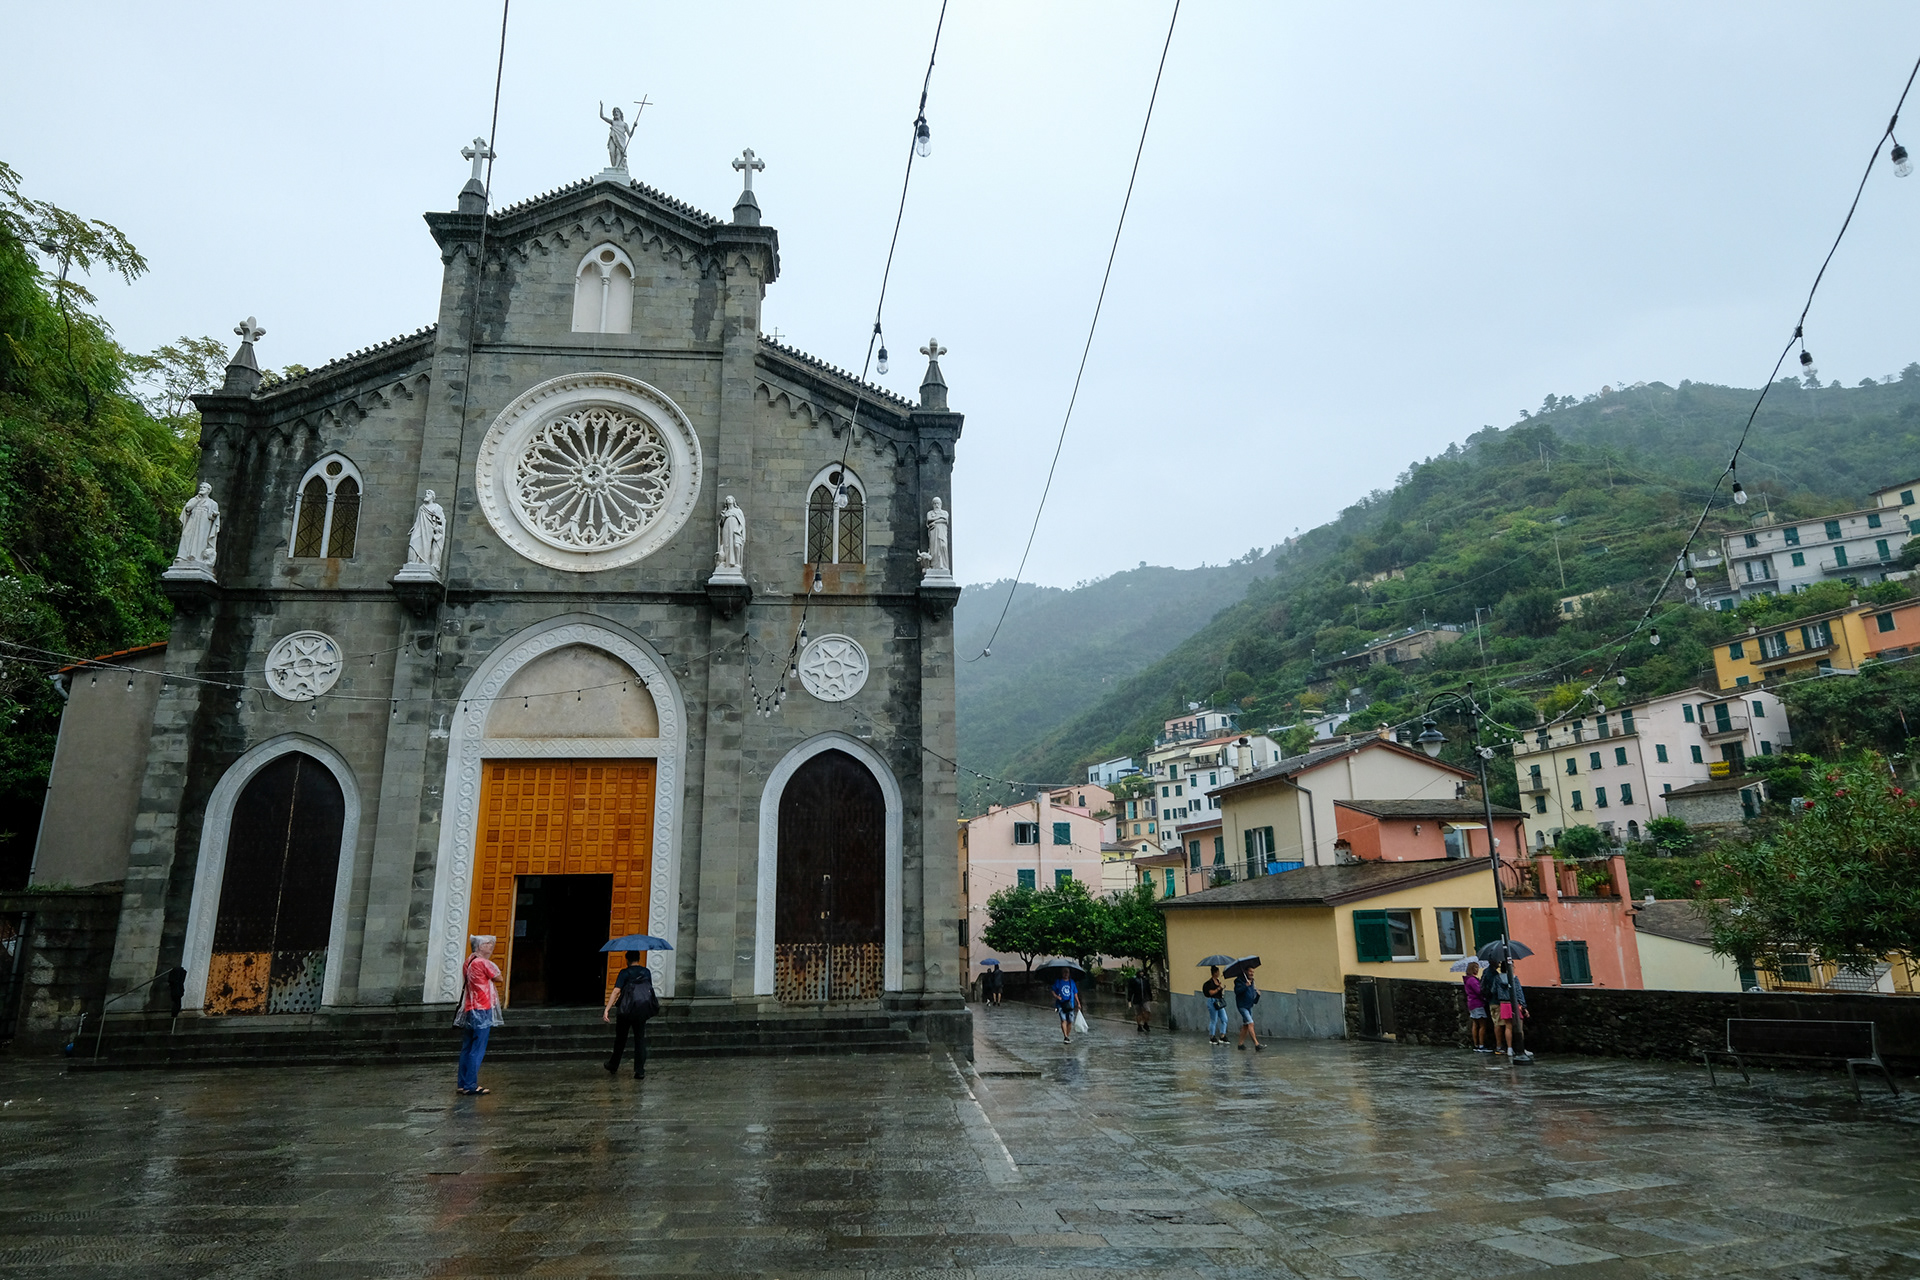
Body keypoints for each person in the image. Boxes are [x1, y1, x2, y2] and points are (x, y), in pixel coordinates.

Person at [455, 935, 503, 1095]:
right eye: (487, 944)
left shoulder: (468, 962)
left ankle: (462, 1083)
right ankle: (471, 1084)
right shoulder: (483, 963)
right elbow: (499, 978)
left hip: (470, 1007)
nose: (491, 946)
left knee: (467, 1047)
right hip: (482, 1007)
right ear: (479, 946)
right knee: (478, 1047)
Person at [602, 951, 657, 1079]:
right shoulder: (646, 972)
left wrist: (607, 1009)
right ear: (639, 958)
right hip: (641, 1010)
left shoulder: (624, 973)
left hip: (625, 1010)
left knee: (620, 1038)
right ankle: (640, 1070)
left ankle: (613, 1064)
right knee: (640, 1039)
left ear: (627, 959)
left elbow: (616, 991)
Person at [1489, 959, 1534, 1062]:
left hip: (1503, 1004)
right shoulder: (1514, 978)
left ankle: (1509, 1049)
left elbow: (1493, 990)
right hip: (1514, 1004)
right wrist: (1524, 1006)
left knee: (1508, 1027)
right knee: (1519, 1027)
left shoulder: (1497, 978)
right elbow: (1519, 992)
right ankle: (1521, 1048)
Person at [1462, 961, 1491, 1053]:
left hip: (1471, 1004)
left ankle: (1476, 1044)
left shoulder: (1468, 980)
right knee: (1482, 1024)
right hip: (1477, 1004)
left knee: (1475, 1024)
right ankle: (1481, 1045)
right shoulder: (1472, 980)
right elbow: (1479, 991)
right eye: (1475, 968)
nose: (1477, 970)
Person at [1233, 967, 1263, 1051]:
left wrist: (1258, 995)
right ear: (1245, 971)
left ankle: (1240, 1044)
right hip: (1242, 1006)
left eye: (1253, 972)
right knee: (1251, 1023)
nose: (1252, 973)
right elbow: (1237, 991)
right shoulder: (1239, 981)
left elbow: (1253, 999)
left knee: (1246, 1025)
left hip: (1249, 1006)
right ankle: (1257, 1044)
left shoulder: (1252, 981)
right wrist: (1245, 985)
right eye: (1250, 971)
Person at [1052, 971, 1080, 1044]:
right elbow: (1053, 990)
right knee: (1063, 1020)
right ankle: (1065, 1036)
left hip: (1070, 1004)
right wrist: (1057, 996)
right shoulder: (1058, 982)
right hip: (1061, 1004)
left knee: (1070, 1021)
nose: (1066, 974)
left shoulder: (1072, 982)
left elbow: (1075, 993)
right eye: (1064, 972)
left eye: (1067, 972)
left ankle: (1067, 1035)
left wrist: (1078, 1003)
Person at [1202, 966, 1228, 1045]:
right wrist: (1218, 989)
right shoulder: (1209, 983)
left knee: (1225, 1019)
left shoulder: (1218, 981)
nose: (1219, 973)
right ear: (1214, 973)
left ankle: (1222, 1036)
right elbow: (1211, 993)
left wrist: (1222, 988)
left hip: (1219, 1002)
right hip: (1212, 1001)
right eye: (1218, 972)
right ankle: (1212, 1037)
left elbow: (1219, 993)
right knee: (1214, 1020)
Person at [1126, 968, 1152, 1034]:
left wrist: (1150, 997)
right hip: (1137, 999)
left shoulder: (1145, 980)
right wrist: (1129, 999)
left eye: (1142, 972)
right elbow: (1130, 990)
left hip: (1145, 998)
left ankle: (1145, 1023)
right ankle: (1139, 1025)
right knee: (1138, 1013)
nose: (1141, 974)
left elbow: (1148, 989)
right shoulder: (1134, 980)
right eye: (1140, 972)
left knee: (1147, 1011)